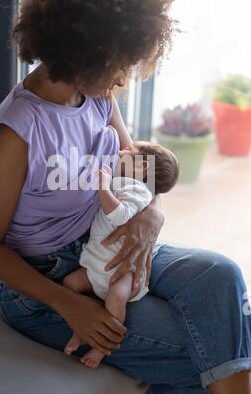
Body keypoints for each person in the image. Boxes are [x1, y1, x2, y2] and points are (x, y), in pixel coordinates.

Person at [0, 0, 251, 394]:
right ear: (90, 55)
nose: (125, 79)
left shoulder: (96, 98)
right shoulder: (17, 133)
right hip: (47, 283)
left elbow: (136, 168)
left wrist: (151, 216)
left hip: (108, 241)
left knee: (220, 275)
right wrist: (71, 305)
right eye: (121, 66)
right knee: (211, 351)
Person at [64, 142, 179, 369]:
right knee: (70, 283)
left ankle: (102, 347)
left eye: (128, 152)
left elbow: (120, 216)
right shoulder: (126, 182)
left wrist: (103, 187)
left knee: (116, 297)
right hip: (98, 265)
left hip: (122, 271)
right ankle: (80, 331)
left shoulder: (137, 190)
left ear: (142, 167)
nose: (119, 152)